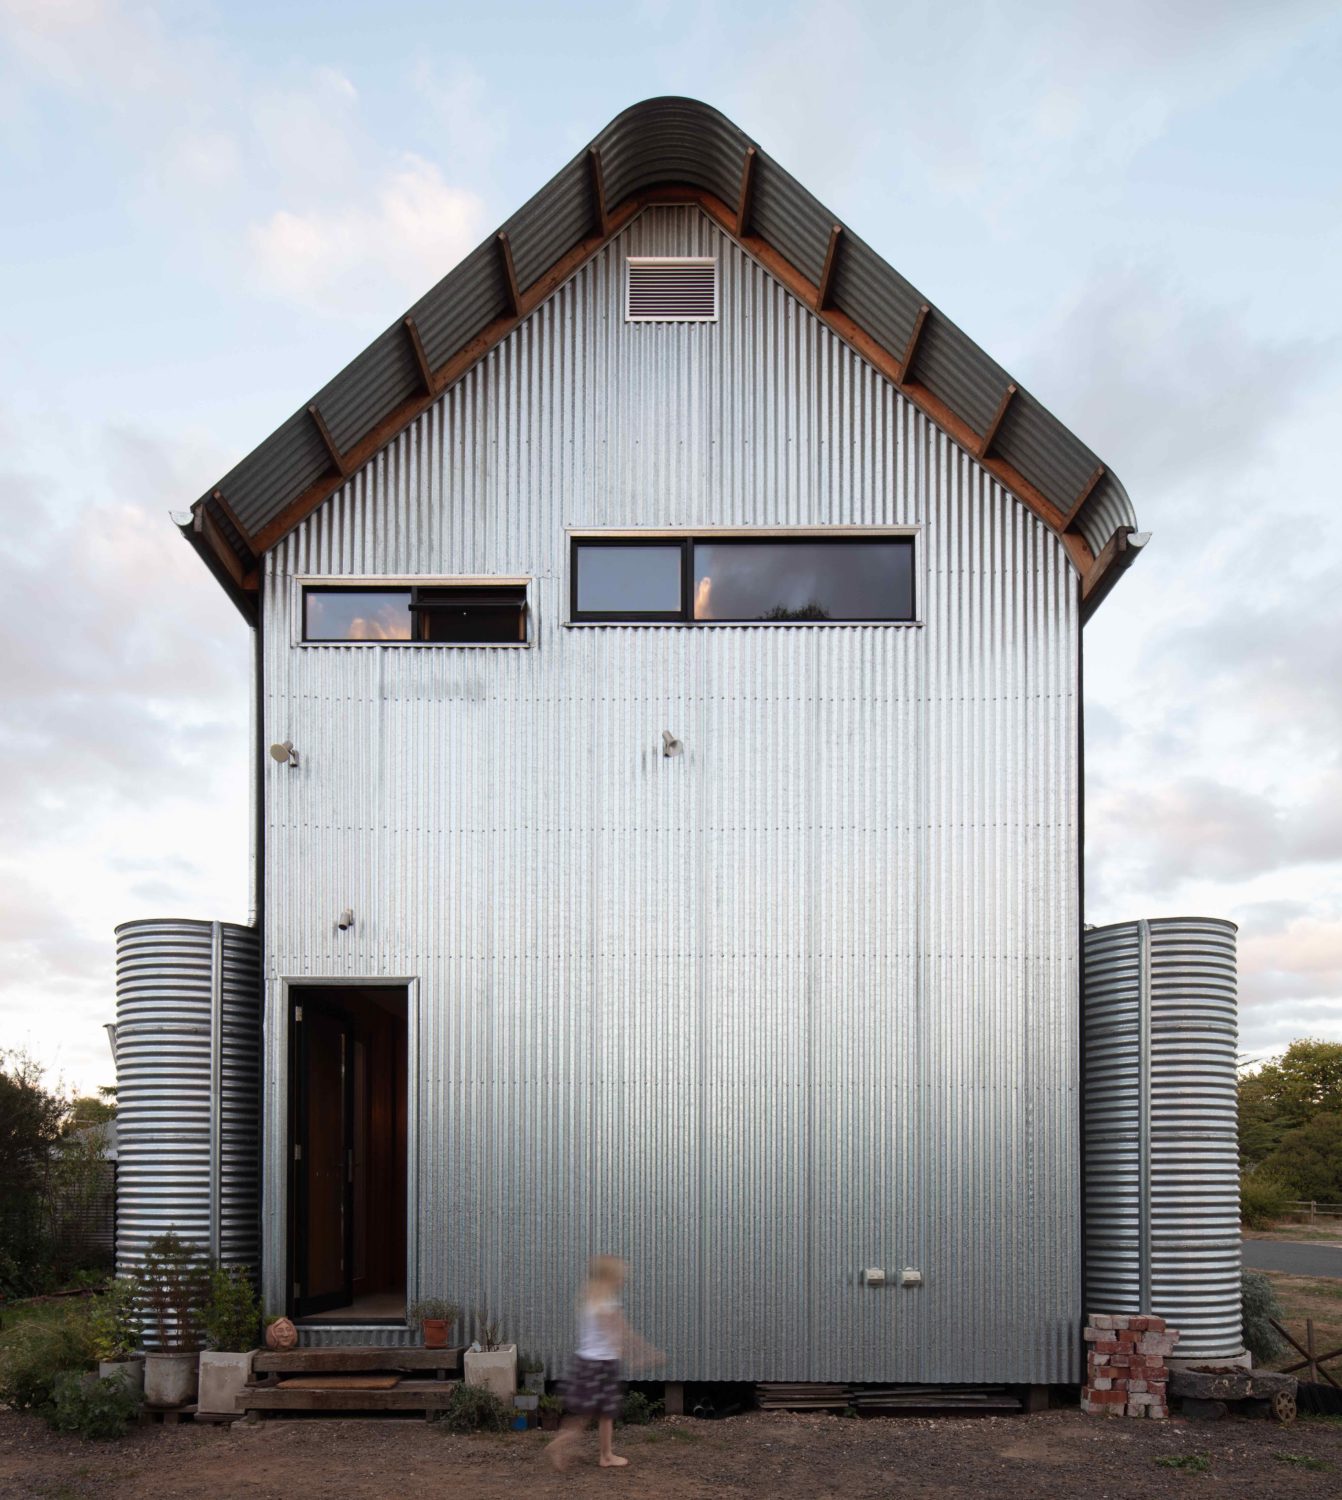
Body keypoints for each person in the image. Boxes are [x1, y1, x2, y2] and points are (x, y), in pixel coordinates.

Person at [547, 1255, 661, 1471]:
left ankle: (597, 1452)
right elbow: (622, 1332)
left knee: (591, 1413)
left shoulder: (590, 1300)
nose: (623, 1280)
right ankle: (598, 1454)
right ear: (610, 1277)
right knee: (602, 1413)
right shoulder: (607, 1303)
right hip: (601, 1366)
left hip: (585, 1363)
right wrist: (644, 1353)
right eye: (620, 1276)